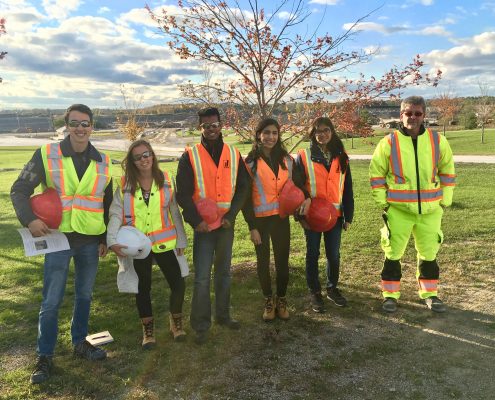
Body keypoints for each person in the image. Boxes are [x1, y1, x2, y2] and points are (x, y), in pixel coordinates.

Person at [10, 104, 113, 384]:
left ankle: (80, 342)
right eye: (75, 123)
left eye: (86, 124)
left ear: (92, 126)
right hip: (57, 239)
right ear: (66, 126)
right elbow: (19, 189)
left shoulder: (104, 161)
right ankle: (45, 355)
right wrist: (30, 219)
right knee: (51, 301)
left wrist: (104, 238)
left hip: (90, 240)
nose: (81, 129)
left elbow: (106, 202)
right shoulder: (47, 154)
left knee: (85, 296)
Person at [369, 96, 456, 313]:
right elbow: (376, 174)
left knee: (429, 254)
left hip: (431, 211)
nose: (413, 117)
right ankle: (390, 295)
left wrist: (445, 201)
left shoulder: (438, 141)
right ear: (401, 115)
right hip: (398, 210)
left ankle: (430, 295)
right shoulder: (388, 142)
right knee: (392, 253)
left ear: (424, 115)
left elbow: (448, 171)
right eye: (408, 113)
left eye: (417, 113)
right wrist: (384, 203)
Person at [176, 107, 249, 344]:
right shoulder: (190, 155)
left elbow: (243, 188)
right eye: (206, 126)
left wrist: (233, 214)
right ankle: (200, 324)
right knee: (202, 278)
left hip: (226, 225)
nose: (211, 130)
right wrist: (196, 222)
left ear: (221, 125)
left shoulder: (233, 153)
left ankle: (223, 316)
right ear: (200, 128)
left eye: (215, 125)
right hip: (204, 229)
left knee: (224, 273)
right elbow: (183, 194)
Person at [106, 140, 188, 349]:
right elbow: (115, 213)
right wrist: (112, 240)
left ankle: (176, 322)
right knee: (142, 288)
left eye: (146, 154)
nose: (144, 159)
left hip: (164, 242)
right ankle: (148, 330)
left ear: (152, 155)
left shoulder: (166, 180)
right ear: (132, 162)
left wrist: (181, 238)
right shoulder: (124, 184)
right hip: (137, 245)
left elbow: (174, 213)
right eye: (137, 157)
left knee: (178, 283)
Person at [242, 118, 307, 321]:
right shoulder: (249, 163)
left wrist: (306, 200)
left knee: (282, 262)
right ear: (259, 135)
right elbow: (245, 200)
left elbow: (298, 186)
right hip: (260, 221)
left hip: (280, 220)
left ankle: (281, 299)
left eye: (275, 133)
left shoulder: (287, 160)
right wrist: (252, 227)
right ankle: (268, 301)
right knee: (263, 262)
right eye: (267, 132)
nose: (271, 137)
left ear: (278, 136)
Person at [295, 117, 354, 313]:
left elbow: (347, 188)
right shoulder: (303, 156)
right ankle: (315, 292)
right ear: (312, 134)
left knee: (333, 255)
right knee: (312, 254)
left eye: (326, 130)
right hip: (312, 217)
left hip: (335, 217)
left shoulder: (342, 156)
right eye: (317, 131)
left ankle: (332, 288)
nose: (322, 134)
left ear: (332, 131)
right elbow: (296, 189)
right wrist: (300, 217)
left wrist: (349, 216)